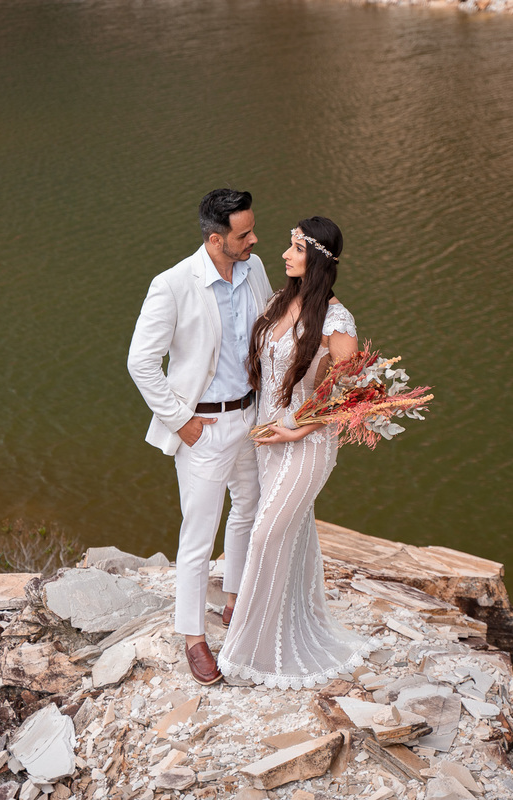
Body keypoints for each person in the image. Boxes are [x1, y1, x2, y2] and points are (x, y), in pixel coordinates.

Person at [217, 216, 376, 689]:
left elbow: (357, 399)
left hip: (305, 447)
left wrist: (297, 430)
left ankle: (249, 652)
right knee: (291, 534)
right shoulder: (278, 302)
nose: (285, 255)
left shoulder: (337, 321)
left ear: (319, 259)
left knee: (265, 536)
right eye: (289, 246)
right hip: (268, 443)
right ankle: (286, 623)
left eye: (296, 248)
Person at [127, 188, 272, 686]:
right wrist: (179, 420)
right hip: (203, 427)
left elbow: (269, 330)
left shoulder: (253, 269)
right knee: (199, 532)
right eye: (244, 234)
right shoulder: (171, 285)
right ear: (216, 240)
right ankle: (192, 636)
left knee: (250, 510)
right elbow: (140, 362)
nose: (254, 239)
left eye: (251, 229)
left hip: (252, 418)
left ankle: (234, 602)